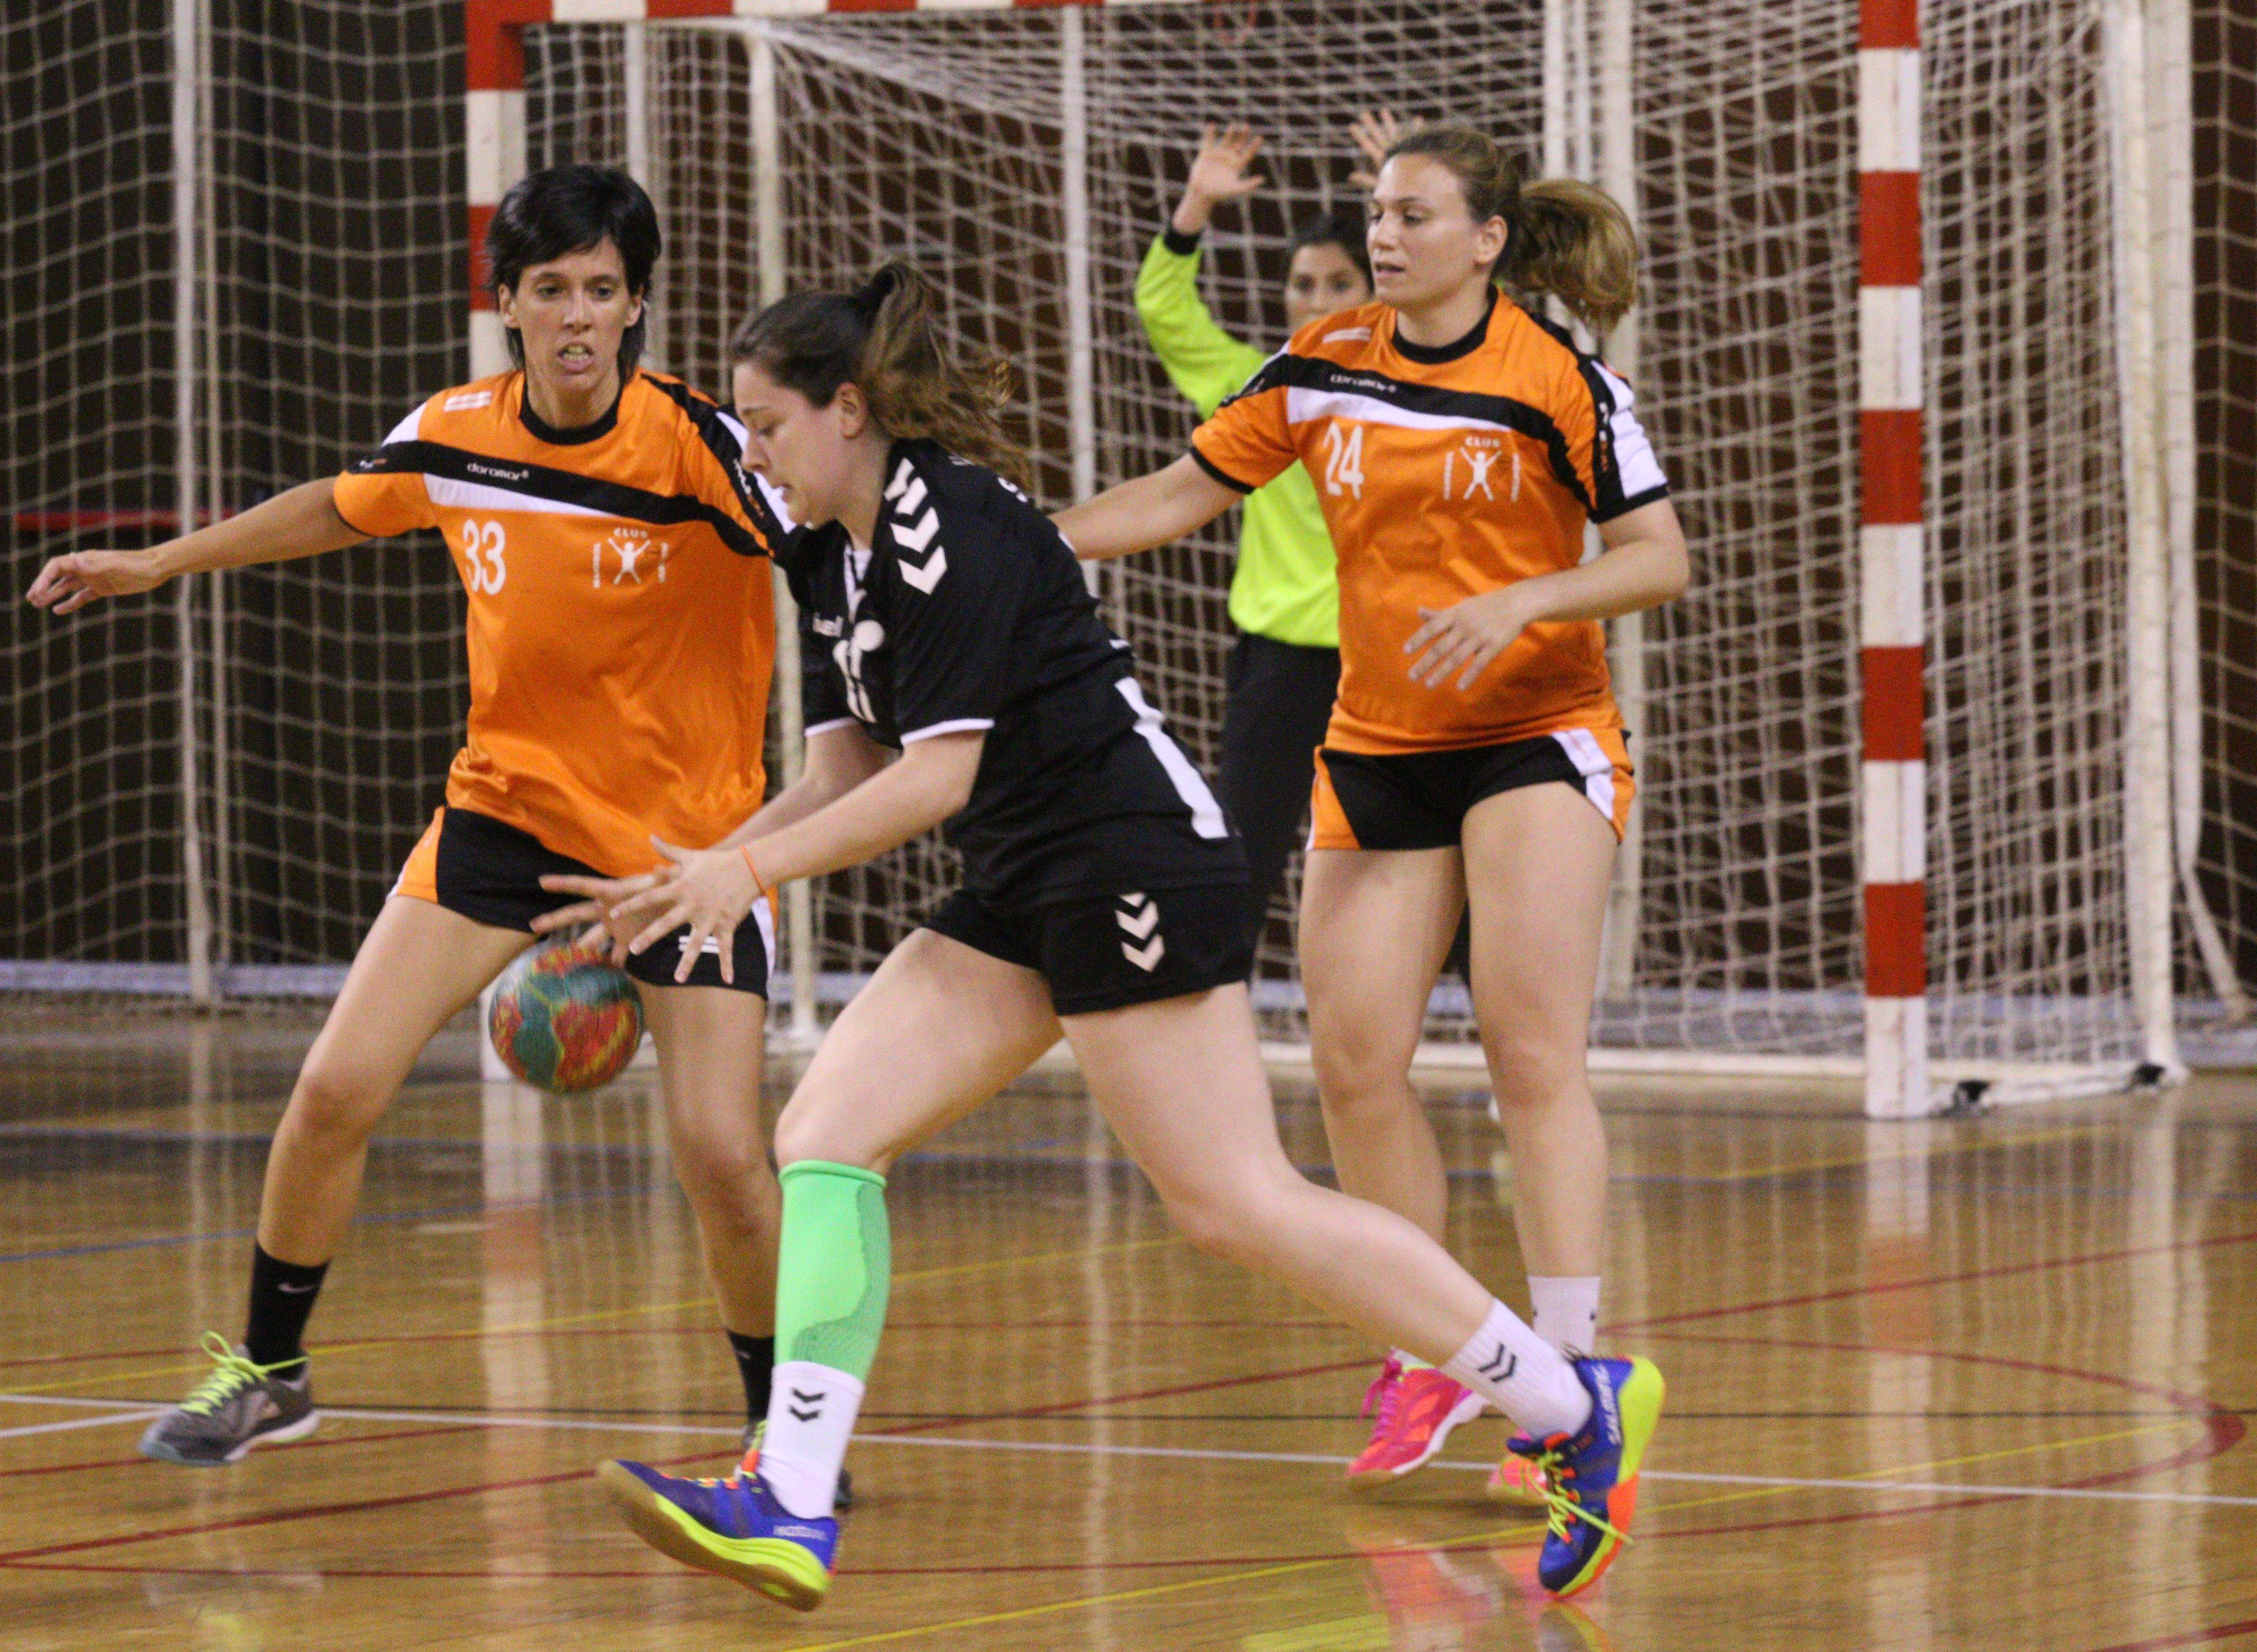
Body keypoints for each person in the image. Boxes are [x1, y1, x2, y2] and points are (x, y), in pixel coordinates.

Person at [536, 263, 1664, 1613]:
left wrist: (746, 872)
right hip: (1026, 878)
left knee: (1234, 1202)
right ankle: (791, 1498)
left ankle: (1567, 1400)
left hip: (1131, 859)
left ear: (848, 412)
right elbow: (847, 770)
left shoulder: (944, 523)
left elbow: (936, 778)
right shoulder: (826, 554)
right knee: (826, 1135)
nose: (754, 450)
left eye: (767, 424)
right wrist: (695, 876)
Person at [24, 165, 829, 1494]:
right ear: (504, 304)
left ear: (636, 307)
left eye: (605, 292)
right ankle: (271, 1375)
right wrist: (159, 562)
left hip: (685, 852)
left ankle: (786, 1438)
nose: (581, 316)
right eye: (553, 290)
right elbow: (337, 506)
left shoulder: (704, 449)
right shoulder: (456, 431)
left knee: (724, 1157)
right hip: (503, 818)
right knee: (335, 1089)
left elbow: (834, 542)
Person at [1056, 121, 1689, 1502]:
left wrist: (1527, 598)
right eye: (1377, 210)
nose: (1386, 233)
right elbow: (1180, 494)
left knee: (1530, 1055)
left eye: (1414, 212)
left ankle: (1575, 1382)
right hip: (1380, 746)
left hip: (1535, 736)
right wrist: (1031, 541)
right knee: (1351, 1063)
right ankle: (1443, 1349)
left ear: (1488, 240)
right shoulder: (1325, 362)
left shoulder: (1560, 381)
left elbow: (1659, 560)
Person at [1135, 120, 1370, 952]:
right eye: (1302, 284)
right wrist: (1196, 203)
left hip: (1389, 662)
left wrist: (1404, 194)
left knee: (1410, 863)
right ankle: (1214, 1049)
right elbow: (1165, 309)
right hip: (1278, 663)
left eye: (1338, 284)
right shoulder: (1252, 388)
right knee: (1243, 860)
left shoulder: (1423, 390)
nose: (1314, 301)